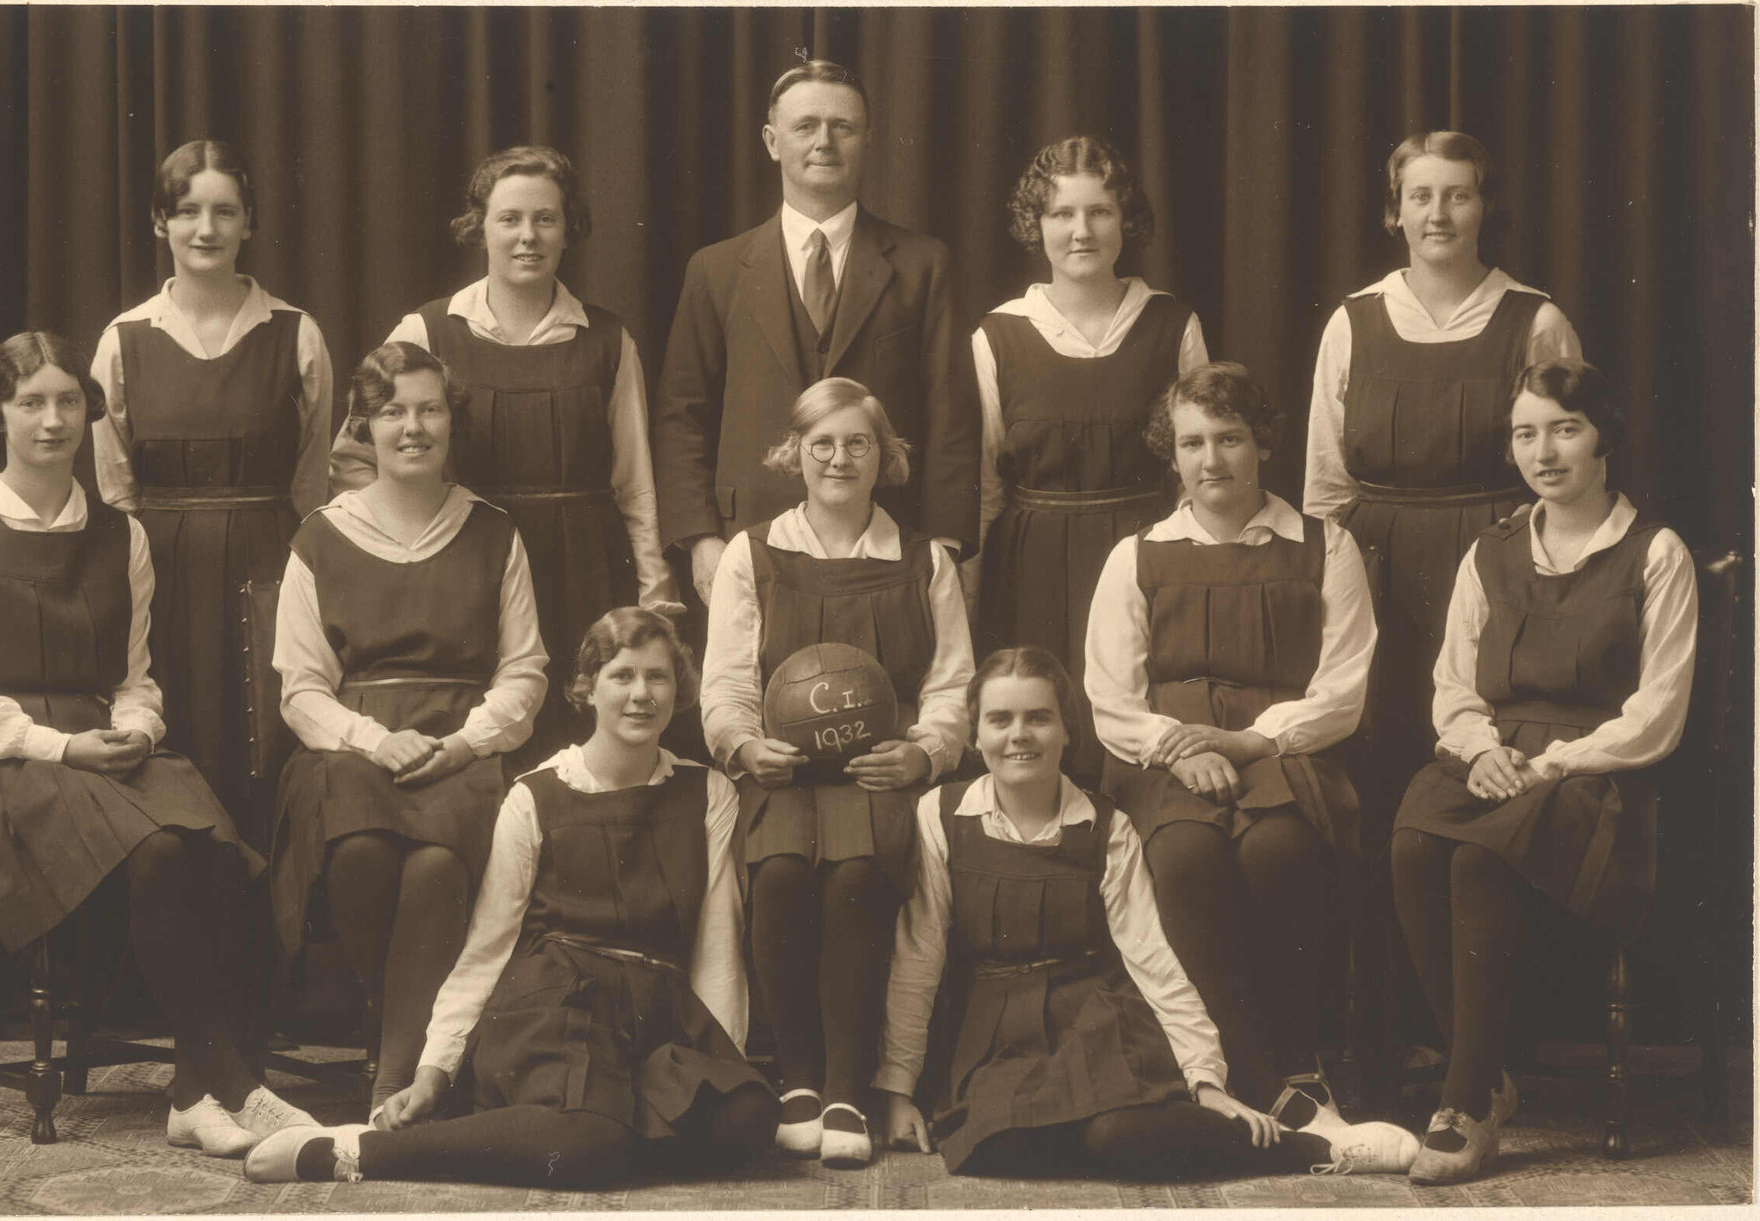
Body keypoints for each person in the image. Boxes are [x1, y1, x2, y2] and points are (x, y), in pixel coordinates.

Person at [0, 332, 314, 1156]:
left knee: (208, 836)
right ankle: (229, 1085)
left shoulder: (120, 534)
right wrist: (60, 748)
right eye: (32, 403)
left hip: (102, 744)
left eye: (67, 402)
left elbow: (136, 676)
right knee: (164, 846)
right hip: (3, 767)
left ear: (88, 412)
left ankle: (195, 1091)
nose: (52, 421)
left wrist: (136, 728)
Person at [244, 608, 777, 1186]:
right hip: (557, 1005)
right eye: (622, 676)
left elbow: (717, 945)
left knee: (746, 1117)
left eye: (658, 677)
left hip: (657, 1012)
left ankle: (576, 1144)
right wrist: (434, 1071)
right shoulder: (536, 795)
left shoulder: (707, 791)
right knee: (589, 1139)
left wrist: (724, 1063)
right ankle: (361, 1153)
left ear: (680, 689)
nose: (641, 694)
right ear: (588, 688)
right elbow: (487, 948)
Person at [880, 648, 1416, 1179]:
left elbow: (1152, 955)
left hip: (1094, 1016)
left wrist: (1206, 1080)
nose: (1019, 734)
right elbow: (919, 954)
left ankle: (1311, 1151)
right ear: (976, 735)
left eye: (1038, 718)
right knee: (987, 1148)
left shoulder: (1105, 825)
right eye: (1000, 719)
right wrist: (898, 1091)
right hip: (996, 1027)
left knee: (1116, 1133)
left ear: (1068, 732)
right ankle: (1153, 1138)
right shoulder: (942, 815)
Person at [1391, 359, 1696, 1184]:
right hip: (1496, 756)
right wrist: (1482, 749)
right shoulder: (1489, 550)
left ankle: (1464, 1101)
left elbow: (1656, 714)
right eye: (1525, 433)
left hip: (1597, 775)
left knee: (1476, 857)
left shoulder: (1653, 552)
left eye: (1564, 428)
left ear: (1605, 439)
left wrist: (1548, 764)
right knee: (1414, 841)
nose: (1543, 450)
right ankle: (1486, 1071)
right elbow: (1453, 681)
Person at [1084, 363, 1378, 1133]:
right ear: (1170, 453)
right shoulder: (1137, 554)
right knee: (1182, 856)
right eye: (1191, 442)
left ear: (1262, 444)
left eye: (1229, 438)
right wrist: (1177, 749)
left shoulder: (1324, 545)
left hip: (1280, 748)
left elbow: (1341, 690)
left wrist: (1249, 740)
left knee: (1277, 850)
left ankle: (1294, 1062)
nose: (1210, 460)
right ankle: (1242, 1069)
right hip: (1167, 754)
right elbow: (1111, 698)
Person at [269, 342, 549, 1120]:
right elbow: (300, 687)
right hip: (351, 745)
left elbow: (525, 673)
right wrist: (372, 738)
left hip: (462, 744)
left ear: (451, 420)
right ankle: (404, 1041)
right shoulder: (321, 535)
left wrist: (463, 742)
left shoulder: (494, 531)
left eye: (429, 408)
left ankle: (392, 1077)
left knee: (434, 869)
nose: (413, 427)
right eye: (393, 411)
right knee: (359, 848)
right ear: (364, 424)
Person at [332, 146, 680, 766]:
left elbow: (635, 482)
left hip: (588, 569)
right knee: (479, 747)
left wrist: (651, 591)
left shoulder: (606, 339)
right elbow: (355, 459)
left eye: (546, 219)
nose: (528, 236)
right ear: (479, 228)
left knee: (581, 753)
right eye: (509, 219)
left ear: (568, 227)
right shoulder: (427, 331)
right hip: (469, 569)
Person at [700, 377, 974, 1167]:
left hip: (876, 775)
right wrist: (745, 745)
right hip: (782, 774)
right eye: (821, 442)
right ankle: (798, 1080)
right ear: (794, 454)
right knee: (780, 872)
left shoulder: (924, 559)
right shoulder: (753, 554)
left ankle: (849, 1088)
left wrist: (922, 751)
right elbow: (724, 681)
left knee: (857, 874)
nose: (839, 458)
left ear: (885, 456)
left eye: (858, 442)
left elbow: (952, 683)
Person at [1302, 130, 1580, 803]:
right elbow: (1324, 482)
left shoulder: (1533, 319)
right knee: (1375, 749)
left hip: (1497, 566)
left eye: (1458, 195)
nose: (1438, 214)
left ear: (1483, 207)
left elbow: (1572, 467)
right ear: (1393, 211)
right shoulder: (1352, 322)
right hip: (1376, 569)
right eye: (1419, 196)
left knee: (1483, 757)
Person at [653, 58, 979, 614]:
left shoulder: (924, 266)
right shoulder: (717, 269)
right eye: (805, 126)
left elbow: (951, 415)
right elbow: (682, 413)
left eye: (842, 126)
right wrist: (701, 541)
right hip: (747, 543)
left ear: (868, 140)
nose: (824, 141)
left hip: (891, 544)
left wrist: (944, 547)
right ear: (772, 140)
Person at [91, 139, 334, 842]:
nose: (206, 229)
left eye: (224, 211)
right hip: (159, 573)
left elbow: (314, 483)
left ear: (249, 222)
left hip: (270, 566)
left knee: (263, 742)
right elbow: (114, 494)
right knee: (175, 740)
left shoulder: (295, 334)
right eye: (187, 211)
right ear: (158, 223)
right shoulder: (124, 339)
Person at [972, 135, 1208, 782]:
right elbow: (984, 485)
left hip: (1149, 563)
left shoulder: (1171, 324)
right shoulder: (998, 335)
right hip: (1031, 569)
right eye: (1061, 214)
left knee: (1142, 748)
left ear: (1124, 220)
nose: (1081, 230)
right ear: (1034, 225)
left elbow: (1199, 469)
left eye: (1099, 211)